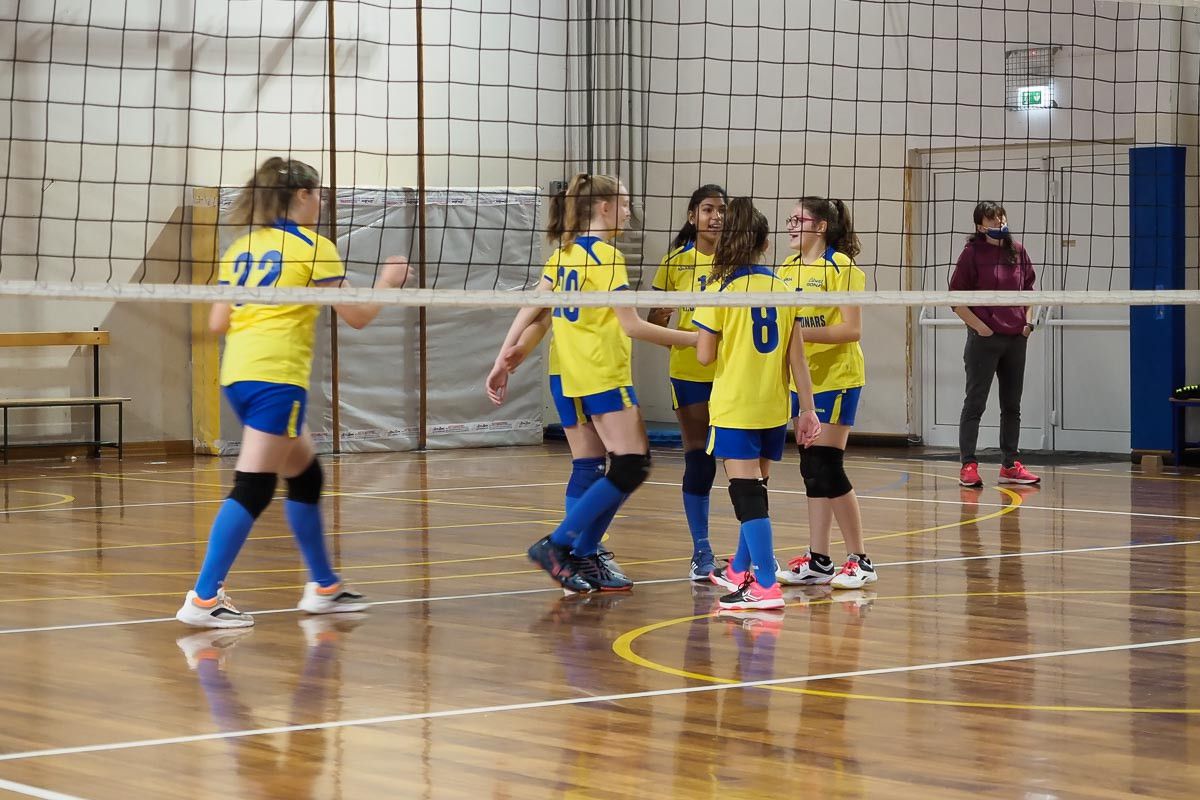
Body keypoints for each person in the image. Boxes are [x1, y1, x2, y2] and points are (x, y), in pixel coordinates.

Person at [176, 157, 408, 628]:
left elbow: (218, 321)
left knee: (305, 477)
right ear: (301, 195)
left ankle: (324, 587)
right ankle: (203, 598)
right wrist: (388, 283)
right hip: (277, 378)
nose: (321, 202)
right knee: (254, 486)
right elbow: (357, 317)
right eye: (319, 194)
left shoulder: (241, 247)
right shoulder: (315, 248)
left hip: (238, 374)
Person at [503, 173, 698, 592]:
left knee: (592, 466)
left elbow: (533, 306)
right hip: (602, 372)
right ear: (605, 207)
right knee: (632, 465)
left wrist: (505, 355)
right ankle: (563, 546)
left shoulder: (564, 253)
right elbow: (631, 326)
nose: (629, 212)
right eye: (624, 203)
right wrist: (693, 340)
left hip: (568, 372)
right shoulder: (607, 257)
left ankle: (580, 554)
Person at [692, 196, 822, 611]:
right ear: (765, 245)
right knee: (756, 491)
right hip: (773, 407)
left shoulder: (720, 291)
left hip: (736, 405)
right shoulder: (783, 288)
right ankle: (738, 571)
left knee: (746, 494)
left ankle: (765, 585)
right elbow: (797, 358)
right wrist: (807, 409)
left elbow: (704, 356)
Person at [774, 196, 877, 591]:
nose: (790, 226)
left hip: (838, 376)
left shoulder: (841, 267)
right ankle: (818, 560)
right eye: (789, 220)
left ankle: (860, 559)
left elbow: (852, 329)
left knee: (826, 465)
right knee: (810, 469)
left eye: (798, 220)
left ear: (820, 226)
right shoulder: (786, 268)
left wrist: (798, 334)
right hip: (801, 381)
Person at [648, 184, 727, 581]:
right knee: (700, 459)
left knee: (741, 461)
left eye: (722, 210)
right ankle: (702, 551)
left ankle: (752, 553)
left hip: (733, 373)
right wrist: (664, 314)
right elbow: (653, 323)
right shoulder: (676, 261)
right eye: (708, 209)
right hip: (689, 372)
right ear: (693, 216)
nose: (716, 217)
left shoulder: (736, 260)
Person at [951, 201, 1040, 488]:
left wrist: (1028, 324)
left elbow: (1030, 292)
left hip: (1016, 339)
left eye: (1001, 217)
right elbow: (955, 299)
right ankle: (968, 464)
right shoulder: (972, 254)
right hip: (985, 340)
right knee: (975, 403)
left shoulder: (1018, 251)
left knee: (1012, 405)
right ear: (980, 226)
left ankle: (1010, 465)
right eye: (992, 219)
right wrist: (981, 327)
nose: (999, 222)